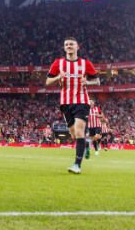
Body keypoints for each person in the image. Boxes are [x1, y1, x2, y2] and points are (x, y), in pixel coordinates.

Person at [45, 38, 100, 174]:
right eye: (66, 45)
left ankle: (77, 165)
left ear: (77, 47)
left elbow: (97, 81)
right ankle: (86, 143)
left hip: (82, 101)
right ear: (64, 48)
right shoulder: (58, 63)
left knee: (80, 131)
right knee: (74, 135)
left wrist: (87, 82)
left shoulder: (85, 63)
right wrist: (59, 77)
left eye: (71, 44)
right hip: (65, 103)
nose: (69, 46)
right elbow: (47, 82)